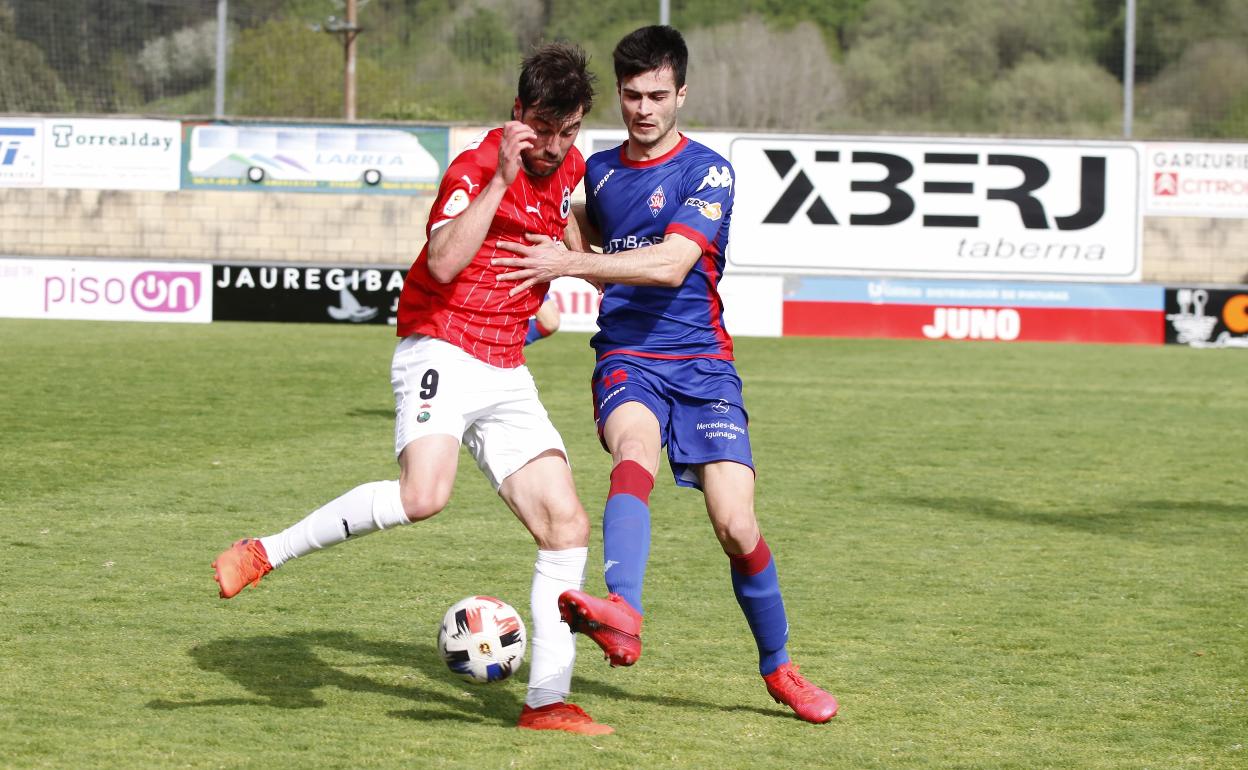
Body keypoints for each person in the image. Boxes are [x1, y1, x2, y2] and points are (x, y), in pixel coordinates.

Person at [211, 43, 612, 736]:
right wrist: (499, 182)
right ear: (518, 115)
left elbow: (574, 238)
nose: (553, 146)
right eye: (543, 130)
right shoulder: (474, 167)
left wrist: (594, 264)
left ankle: (547, 702)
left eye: (568, 132)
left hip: (505, 366)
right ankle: (264, 551)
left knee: (567, 524)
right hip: (441, 345)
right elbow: (446, 260)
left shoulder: (571, 167)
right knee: (424, 496)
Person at [493, 25, 839, 724]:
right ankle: (622, 608)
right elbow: (579, 233)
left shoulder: (707, 170)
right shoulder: (597, 170)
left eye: (656, 94)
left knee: (736, 525)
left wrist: (569, 264)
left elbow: (670, 264)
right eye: (630, 95)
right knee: (633, 451)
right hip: (626, 358)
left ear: (682, 92)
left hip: (704, 366)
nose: (643, 108)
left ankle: (779, 668)